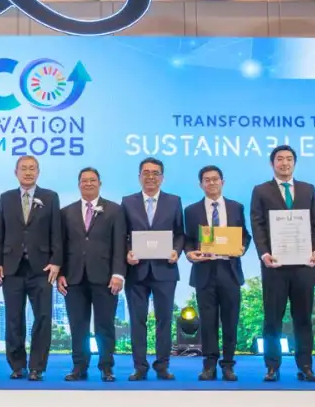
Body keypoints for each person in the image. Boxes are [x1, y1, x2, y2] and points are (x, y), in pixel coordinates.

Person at [249, 145, 315, 383]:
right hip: (274, 265)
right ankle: (272, 366)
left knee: (303, 318)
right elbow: (257, 224)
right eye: (280, 159)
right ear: (272, 164)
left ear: (295, 163)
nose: (285, 163)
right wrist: (264, 253)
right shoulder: (261, 190)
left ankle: (306, 366)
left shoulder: (308, 189)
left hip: (304, 265)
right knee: (273, 318)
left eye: (289, 159)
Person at [0, 155, 62, 381]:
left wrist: (56, 261)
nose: (28, 172)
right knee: (14, 318)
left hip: (42, 268)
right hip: (12, 267)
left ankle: (37, 367)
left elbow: (57, 232)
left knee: (43, 317)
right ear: (16, 172)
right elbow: (0, 233)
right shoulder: (6, 198)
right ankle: (17, 365)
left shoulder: (50, 197)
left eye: (32, 168)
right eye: (24, 168)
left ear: (38, 172)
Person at [57, 167, 126, 382]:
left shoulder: (115, 210)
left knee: (105, 325)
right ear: (79, 184)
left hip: (105, 277)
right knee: (78, 325)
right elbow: (60, 246)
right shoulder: (66, 212)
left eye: (92, 180)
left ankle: (106, 367)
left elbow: (120, 244)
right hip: (73, 278)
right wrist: (60, 273)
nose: (88, 183)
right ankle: (79, 366)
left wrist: (119, 274)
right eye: (84, 180)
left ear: (100, 183)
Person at [183, 165, 251, 382]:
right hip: (204, 271)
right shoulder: (191, 211)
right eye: (207, 180)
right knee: (207, 322)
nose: (211, 183)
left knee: (230, 321)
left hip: (229, 271)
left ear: (223, 182)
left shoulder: (236, 207)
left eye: (215, 179)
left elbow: (245, 235)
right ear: (200, 184)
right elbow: (187, 240)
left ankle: (228, 365)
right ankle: (209, 365)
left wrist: (241, 248)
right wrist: (189, 253)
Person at [121, 157, 185, 381]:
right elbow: (122, 235)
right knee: (137, 321)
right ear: (139, 177)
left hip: (165, 270)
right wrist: (127, 252)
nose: (150, 177)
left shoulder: (174, 201)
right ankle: (140, 366)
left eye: (155, 173)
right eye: (146, 173)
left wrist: (176, 250)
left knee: (164, 320)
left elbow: (180, 233)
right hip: (136, 271)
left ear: (162, 178)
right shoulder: (127, 202)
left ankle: (162, 365)